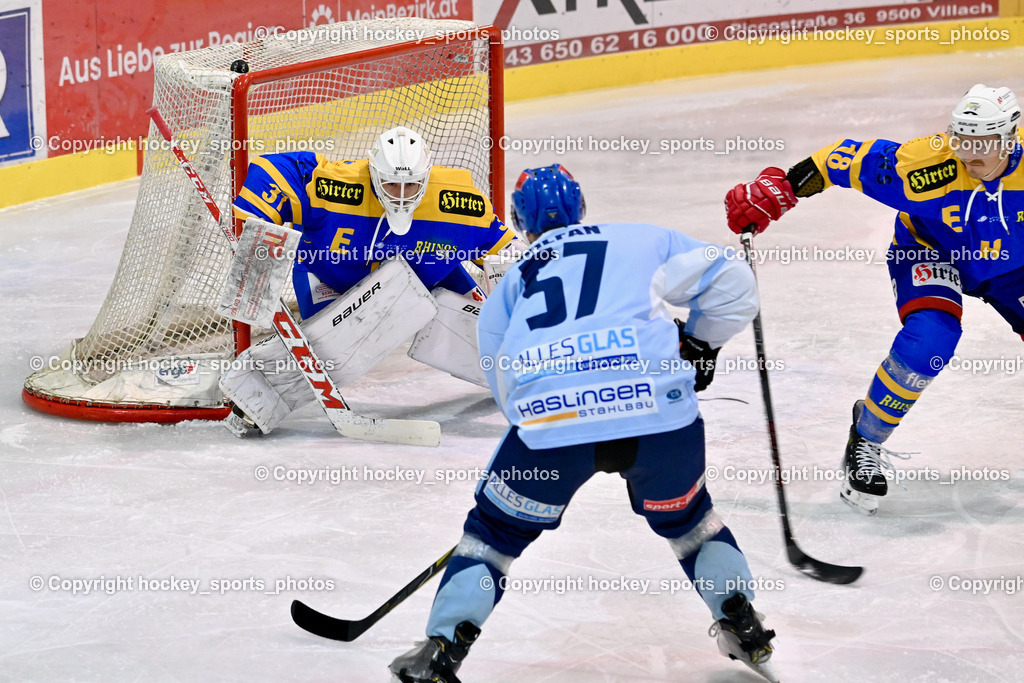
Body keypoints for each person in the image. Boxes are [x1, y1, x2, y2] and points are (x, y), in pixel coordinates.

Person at [389, 165, 779, 683]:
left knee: (493, 536)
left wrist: (547, 419)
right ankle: (743, 623)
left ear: (520, 222)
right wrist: (701, 343)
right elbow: (735, 283)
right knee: (692, 522)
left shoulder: (514, 280)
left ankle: (441, 652)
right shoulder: (642, 240)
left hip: (553, 425)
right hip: (659, 417)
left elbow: (501, 375)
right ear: (583, 208)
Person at [724, 84, 1023, 515]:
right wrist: (781, 189)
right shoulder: (926, 166)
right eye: (962, 141)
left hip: (1014, 268)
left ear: (1010, 138)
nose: (969, 156)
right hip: (930, 251)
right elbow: (839, 160)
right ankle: (865, 440)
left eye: (983, 145)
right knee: (929, 343)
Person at [221, 126, 521, 435]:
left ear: (426, 176)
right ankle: (256, 396)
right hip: (329, 276)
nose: (401, 195)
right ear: (373, 172)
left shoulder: (459, 202)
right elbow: (273, 168)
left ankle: (530, 375)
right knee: (330, 347)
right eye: (391, 184)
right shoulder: (335, 186)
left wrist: (533, 295)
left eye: (411, 184)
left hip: (426, 274)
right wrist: (258, 224)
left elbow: (510, 257)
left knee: (484, 331)